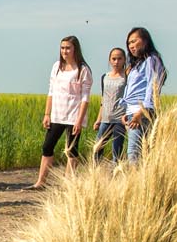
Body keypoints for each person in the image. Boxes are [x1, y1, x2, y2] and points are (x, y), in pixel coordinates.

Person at [28, 36, 91, 191]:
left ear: (75, 49)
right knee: (47, 146)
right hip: (57, 114)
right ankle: (41, 182)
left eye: (68, 48)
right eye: (62, 48)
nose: (65, 51)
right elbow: (51, 91)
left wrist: (79, 120)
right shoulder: (57, 66)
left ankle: (68, 184)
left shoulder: (83, 70)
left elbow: (85, 98)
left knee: (71, 149)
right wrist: (47, 114)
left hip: (74, 116)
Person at [120, 27, 167, 162]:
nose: (131, 46)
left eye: (134, 41)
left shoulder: (151, 60)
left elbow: (152, 88)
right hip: (133, 113)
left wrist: (140, 113)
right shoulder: (137, 64)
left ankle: (136, 182)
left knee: (134, 154)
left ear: (145, 41)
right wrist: (127, 111)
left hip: (141, 114)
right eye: (129, 43)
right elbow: (135, 90)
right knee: (139, 154)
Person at [91, 47, 130, 163]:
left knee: (116, 150)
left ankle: (115, 175)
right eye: (114, 59)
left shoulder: (127, 76)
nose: (116, 62)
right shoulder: (105, 77)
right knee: (97, 148)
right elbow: (104, 99)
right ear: (109, 60)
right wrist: (98, 119)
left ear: (124, 60)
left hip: (120, 119)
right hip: (106, 118)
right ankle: (95, 174)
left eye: (119, 59)